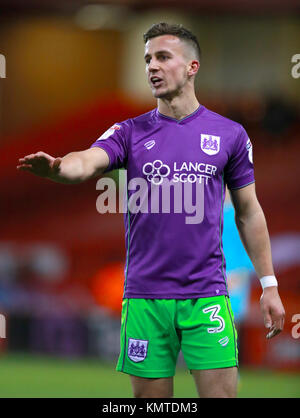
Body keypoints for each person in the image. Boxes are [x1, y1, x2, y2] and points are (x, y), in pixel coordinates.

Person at [17, 22, 285, 398]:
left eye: (162, 57)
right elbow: (88, 161)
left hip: (206, 296)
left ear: (192, 66)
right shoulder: (129, 132)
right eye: (147, 59)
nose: (151, 67)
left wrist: (269, 285)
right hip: (145, 298)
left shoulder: (230, 135)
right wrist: (60, 166)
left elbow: (249, 212)